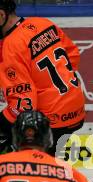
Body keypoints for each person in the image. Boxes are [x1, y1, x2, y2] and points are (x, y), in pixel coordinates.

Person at [0, 0, 85, 156]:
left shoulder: (10, 46)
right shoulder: (42, 23)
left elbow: (24, 104)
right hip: (76, 109)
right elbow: (72, 55)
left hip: (52, 121)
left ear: (1, 15)